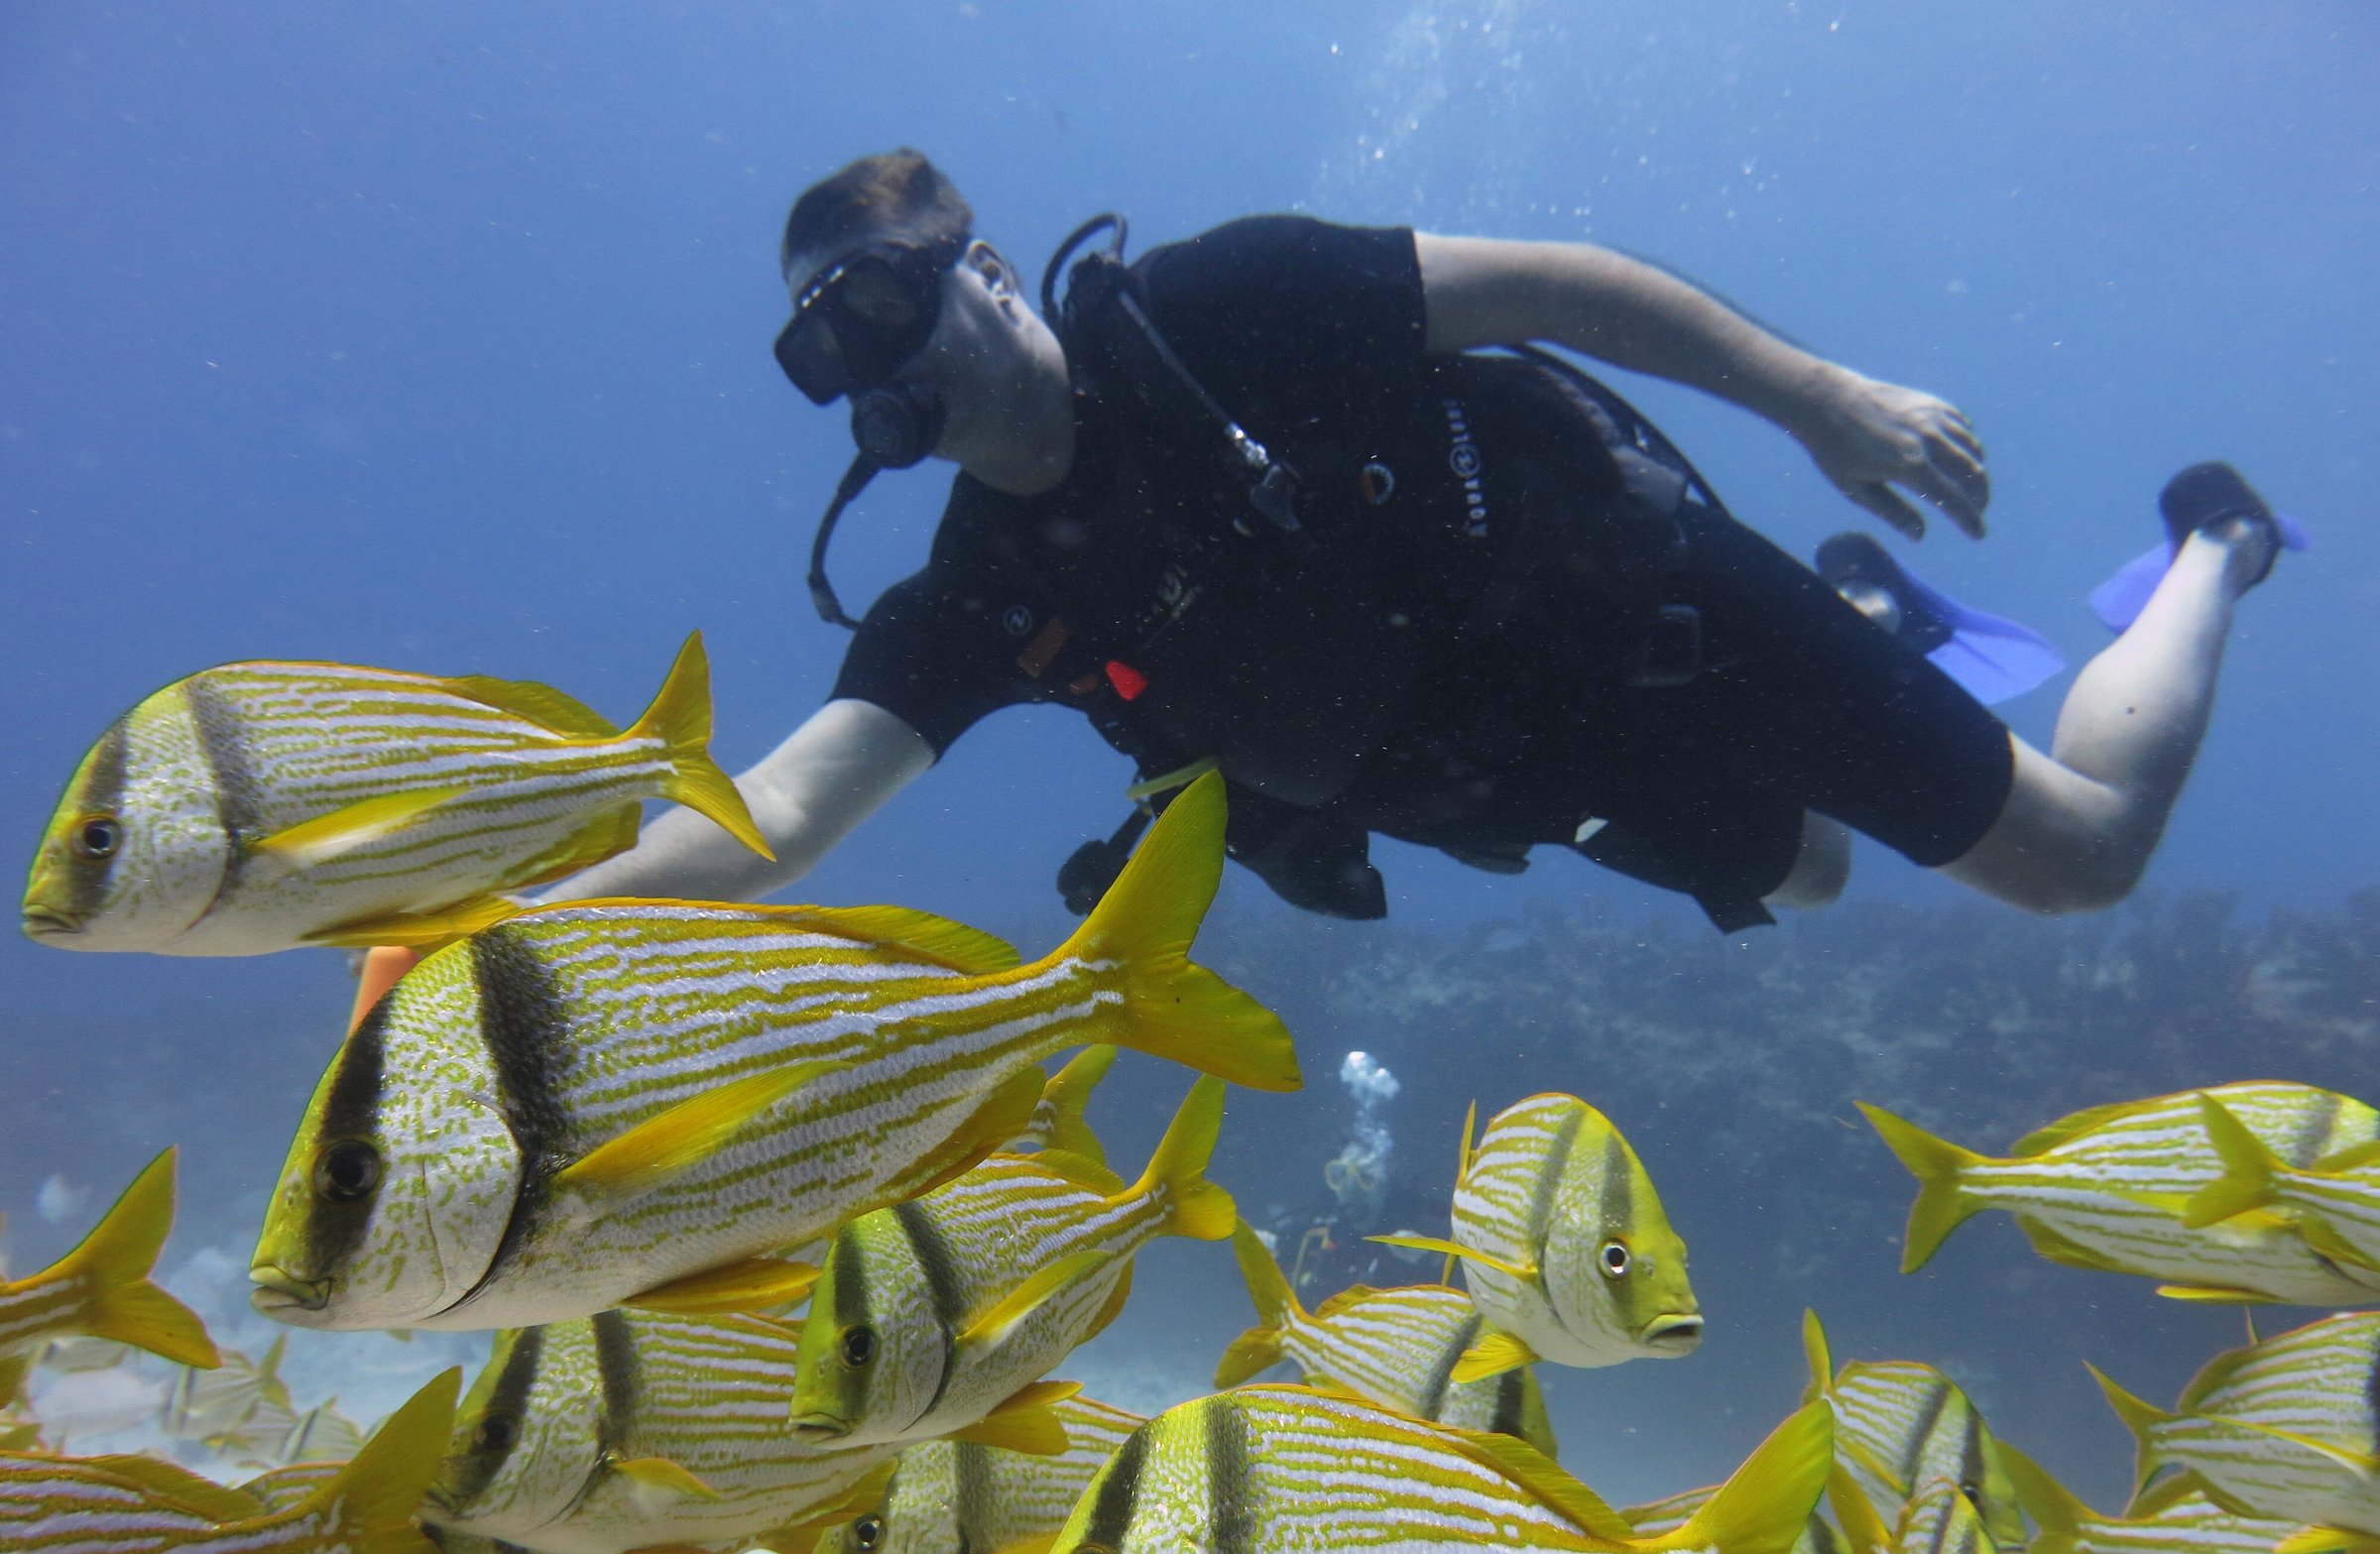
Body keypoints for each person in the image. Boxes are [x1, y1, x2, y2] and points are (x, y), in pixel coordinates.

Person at [352, 149, 2288, 1013]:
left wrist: (1816, 395)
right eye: (821, 357)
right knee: (1812, 870)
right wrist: (494, 934)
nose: (870, 369)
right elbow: (774, 815)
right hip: (1518, 777)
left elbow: (1545, 288)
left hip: (1645, 606)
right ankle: (1882, 625)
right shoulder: (969, 592)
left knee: (2078, 858)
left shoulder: (1228, 302)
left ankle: (2212, 541)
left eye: (876, 307)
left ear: (988, 268)